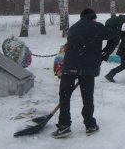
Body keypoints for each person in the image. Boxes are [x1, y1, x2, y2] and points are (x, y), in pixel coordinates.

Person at [51, 8, 120, 139]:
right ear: (93, 18)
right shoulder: (97, 27)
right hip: (88, 68)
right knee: (87, 97)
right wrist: (106, 52)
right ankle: (90, 125)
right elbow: (116, 35)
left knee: (64, 96)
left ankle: (64, 125)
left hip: (69, 66)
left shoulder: (73, 28)